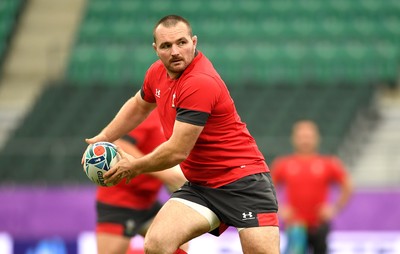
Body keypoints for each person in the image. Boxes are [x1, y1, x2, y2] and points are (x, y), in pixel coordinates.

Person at [84, 15, 280, 254]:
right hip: (201, 186)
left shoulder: (199, 82)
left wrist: (134, 166)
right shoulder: (156, 73)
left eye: (181, 43)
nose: (175, 51)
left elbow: (177, 151)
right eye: (166, 46)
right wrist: (104, 136)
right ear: (156, 49)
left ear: (194, 42)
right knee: (157, 244)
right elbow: (138, 105)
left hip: (243, 181)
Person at [95, 111, 188, 254]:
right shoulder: (149, 115)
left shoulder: (183, 121)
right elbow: (121, 145)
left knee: (179, 241)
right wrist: (166, 175)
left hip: (148, 202)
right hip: (120, 201)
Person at [271, 120, 353, 254]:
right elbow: (268, 188)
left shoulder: (328, 163)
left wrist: (335, 208)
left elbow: (347, 186)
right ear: (294, 139)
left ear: (316, 138)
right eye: (301, 136)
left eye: (308, 136)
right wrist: (279, 208)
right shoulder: (283, 164)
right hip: (296, 226)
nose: (305, 140)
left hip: (319, 225)